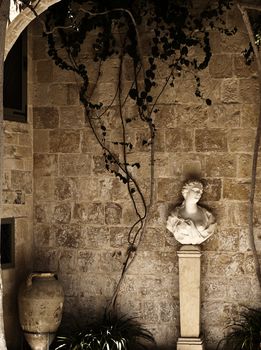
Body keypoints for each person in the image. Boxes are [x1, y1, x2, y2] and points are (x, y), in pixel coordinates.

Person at [166, 180, 216, 245]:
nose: (199, 194)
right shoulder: (174, 216)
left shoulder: (208, 216)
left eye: (201, 192)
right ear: (186, 191)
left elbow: (211, 227)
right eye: (196, 190)